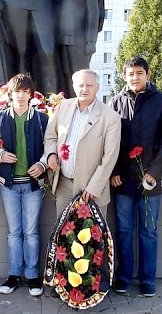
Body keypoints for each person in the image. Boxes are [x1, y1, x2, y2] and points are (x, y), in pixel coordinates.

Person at [108, 56, 162, 297]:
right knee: (124, 231)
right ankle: (123, 277)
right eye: (130, 73)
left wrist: (154, 172)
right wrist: (113, 171)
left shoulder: (161, 102)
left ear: (148, 74)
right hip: (123, 181)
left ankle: (148, 279)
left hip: (151, 181)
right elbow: (110, 142)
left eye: (139, 72)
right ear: (124, 76)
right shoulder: (115, 103)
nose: (134, 77)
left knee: (148, 231)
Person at [0, 73, 48, 297]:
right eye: (17, 91)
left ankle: (33, 276)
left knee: (31, 232)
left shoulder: (42, 119)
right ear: (10, 94)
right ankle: (14, 274)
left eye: (26, 92)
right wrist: (1, 154)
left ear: (31, 94)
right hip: (9, 183)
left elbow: (49, 146)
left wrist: (43, 165)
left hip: (33, 184)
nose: (22, 96)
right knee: (14, 232)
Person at [44, 69, 121, 219]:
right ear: (74, 86)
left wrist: (94, 187)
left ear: (97, 87)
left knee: (93, 240)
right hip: (64, 186)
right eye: (80, 85)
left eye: (89, 85)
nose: (84, 89)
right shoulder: (63, 107)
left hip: (92, 191)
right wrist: (51, 154)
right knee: (64, 238)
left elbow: (110, 157)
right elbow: (51, 135)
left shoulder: (110, 117)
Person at [58, 0, 105, 95]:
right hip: (66, 38)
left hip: (80, 40)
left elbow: (93, 12)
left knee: (80, 80)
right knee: (67, 77)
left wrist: (91, 40)